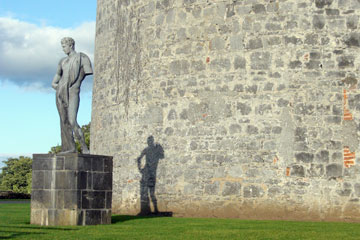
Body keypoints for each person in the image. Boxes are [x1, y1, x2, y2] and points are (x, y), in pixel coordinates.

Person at [51, 37, 92, 153]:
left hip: (73, 91)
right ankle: (69, 147)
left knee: (72, 120)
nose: (63, 49)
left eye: (64, 46)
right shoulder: (62, 61)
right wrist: (57, 86)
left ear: (71, 45)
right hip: (61, 92)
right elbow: (55, 79)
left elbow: (86, 72)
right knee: (64, 121)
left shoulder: (82, 58)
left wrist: (75, 84)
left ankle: (84, 147)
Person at [137, 136, 164, 215]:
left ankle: (153, 210)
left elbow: (139, 158)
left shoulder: (149, 150)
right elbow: (162, 156)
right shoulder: (150, 150)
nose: (150, 142)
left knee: (149, 192)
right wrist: (140, 169)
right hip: (149, 173)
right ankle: (152, 210)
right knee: (148, 192)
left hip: (149, 173)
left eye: (150, 141)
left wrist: (140, 169)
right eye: (149, 141)